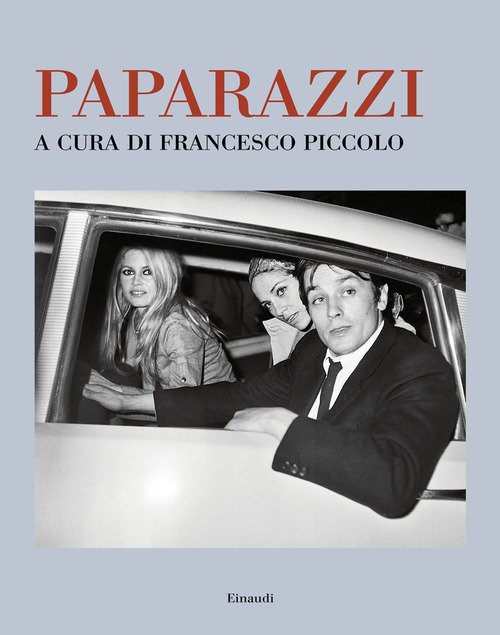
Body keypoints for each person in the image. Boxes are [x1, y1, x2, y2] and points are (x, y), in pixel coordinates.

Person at [83, 259, 458, 517]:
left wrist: (277, 422)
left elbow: (394, 483)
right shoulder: (313, 349)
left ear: (380, 296)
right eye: (318, 298)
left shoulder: (419, 368)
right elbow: (236, 395)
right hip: (279, 505)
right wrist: (132, 400)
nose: (332, 311)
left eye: (347, 291)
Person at [77, 245, 235, 422]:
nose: (136, 281)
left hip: (218, 419)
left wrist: (123, 401)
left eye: (147, 272)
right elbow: (154, 393)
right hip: (184, 410)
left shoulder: (178, 326)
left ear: (166, 276)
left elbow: (183, 404)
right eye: (128, 272)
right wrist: (116, 392)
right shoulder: (143, 317)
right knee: (97, 392)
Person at [248, 256, 415, 364]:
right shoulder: (289, 334)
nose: (278, 310)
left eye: (281, 291)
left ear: (305, 278)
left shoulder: (392, 339)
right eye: (267, 304)